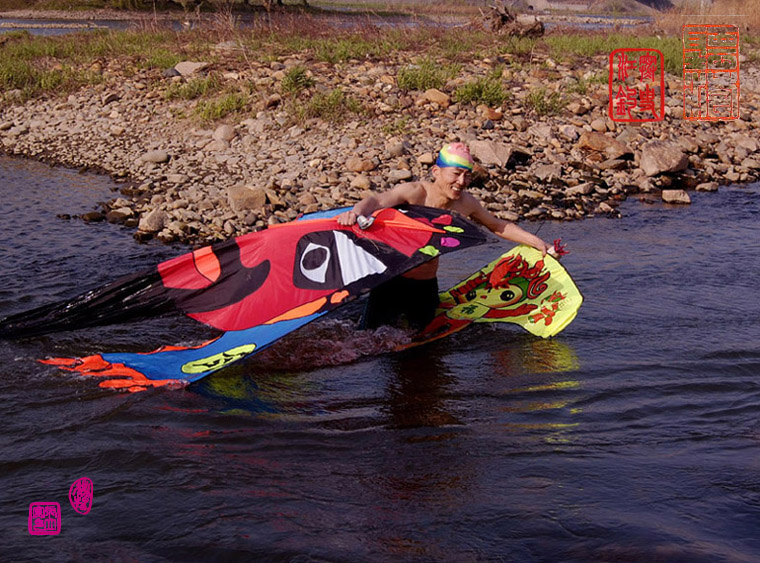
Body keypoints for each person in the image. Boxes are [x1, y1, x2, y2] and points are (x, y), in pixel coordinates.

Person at [337, 142, 552, 331]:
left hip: (426, 287)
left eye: (467, 175)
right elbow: (376, 201)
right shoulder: (415, 192)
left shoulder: (465, 204)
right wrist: (356, 213)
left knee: (421, 348)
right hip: (392, 283)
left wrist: (538, 243)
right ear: (436, 172)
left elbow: (498, 226)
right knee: (368, 341)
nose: (461, 181)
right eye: (456, 173)